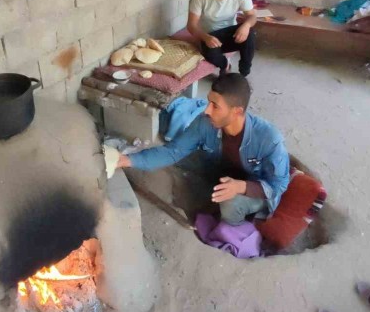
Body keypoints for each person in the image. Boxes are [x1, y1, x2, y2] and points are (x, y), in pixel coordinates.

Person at [117, 74, 289, 225]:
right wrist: (128, 160)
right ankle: (202, 201)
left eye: (215, 106)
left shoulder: (269, 138)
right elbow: (173, 151)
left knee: (230, 203)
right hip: (221, 170)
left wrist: (240, 187)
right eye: (208, 101)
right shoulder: (205, 122)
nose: (207, 110)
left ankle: (235, 229)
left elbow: (278, 185)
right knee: (181, 160)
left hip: (254, 187)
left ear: (237, 112)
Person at [187, 0, 257, 77]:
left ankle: (243, 75)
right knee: (208, 50)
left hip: (230, 34)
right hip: (210, 35)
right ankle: (225, 65)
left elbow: (252, 16)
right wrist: (206, 37)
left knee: (250, 33)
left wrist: (246, 25)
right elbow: (191, 25)